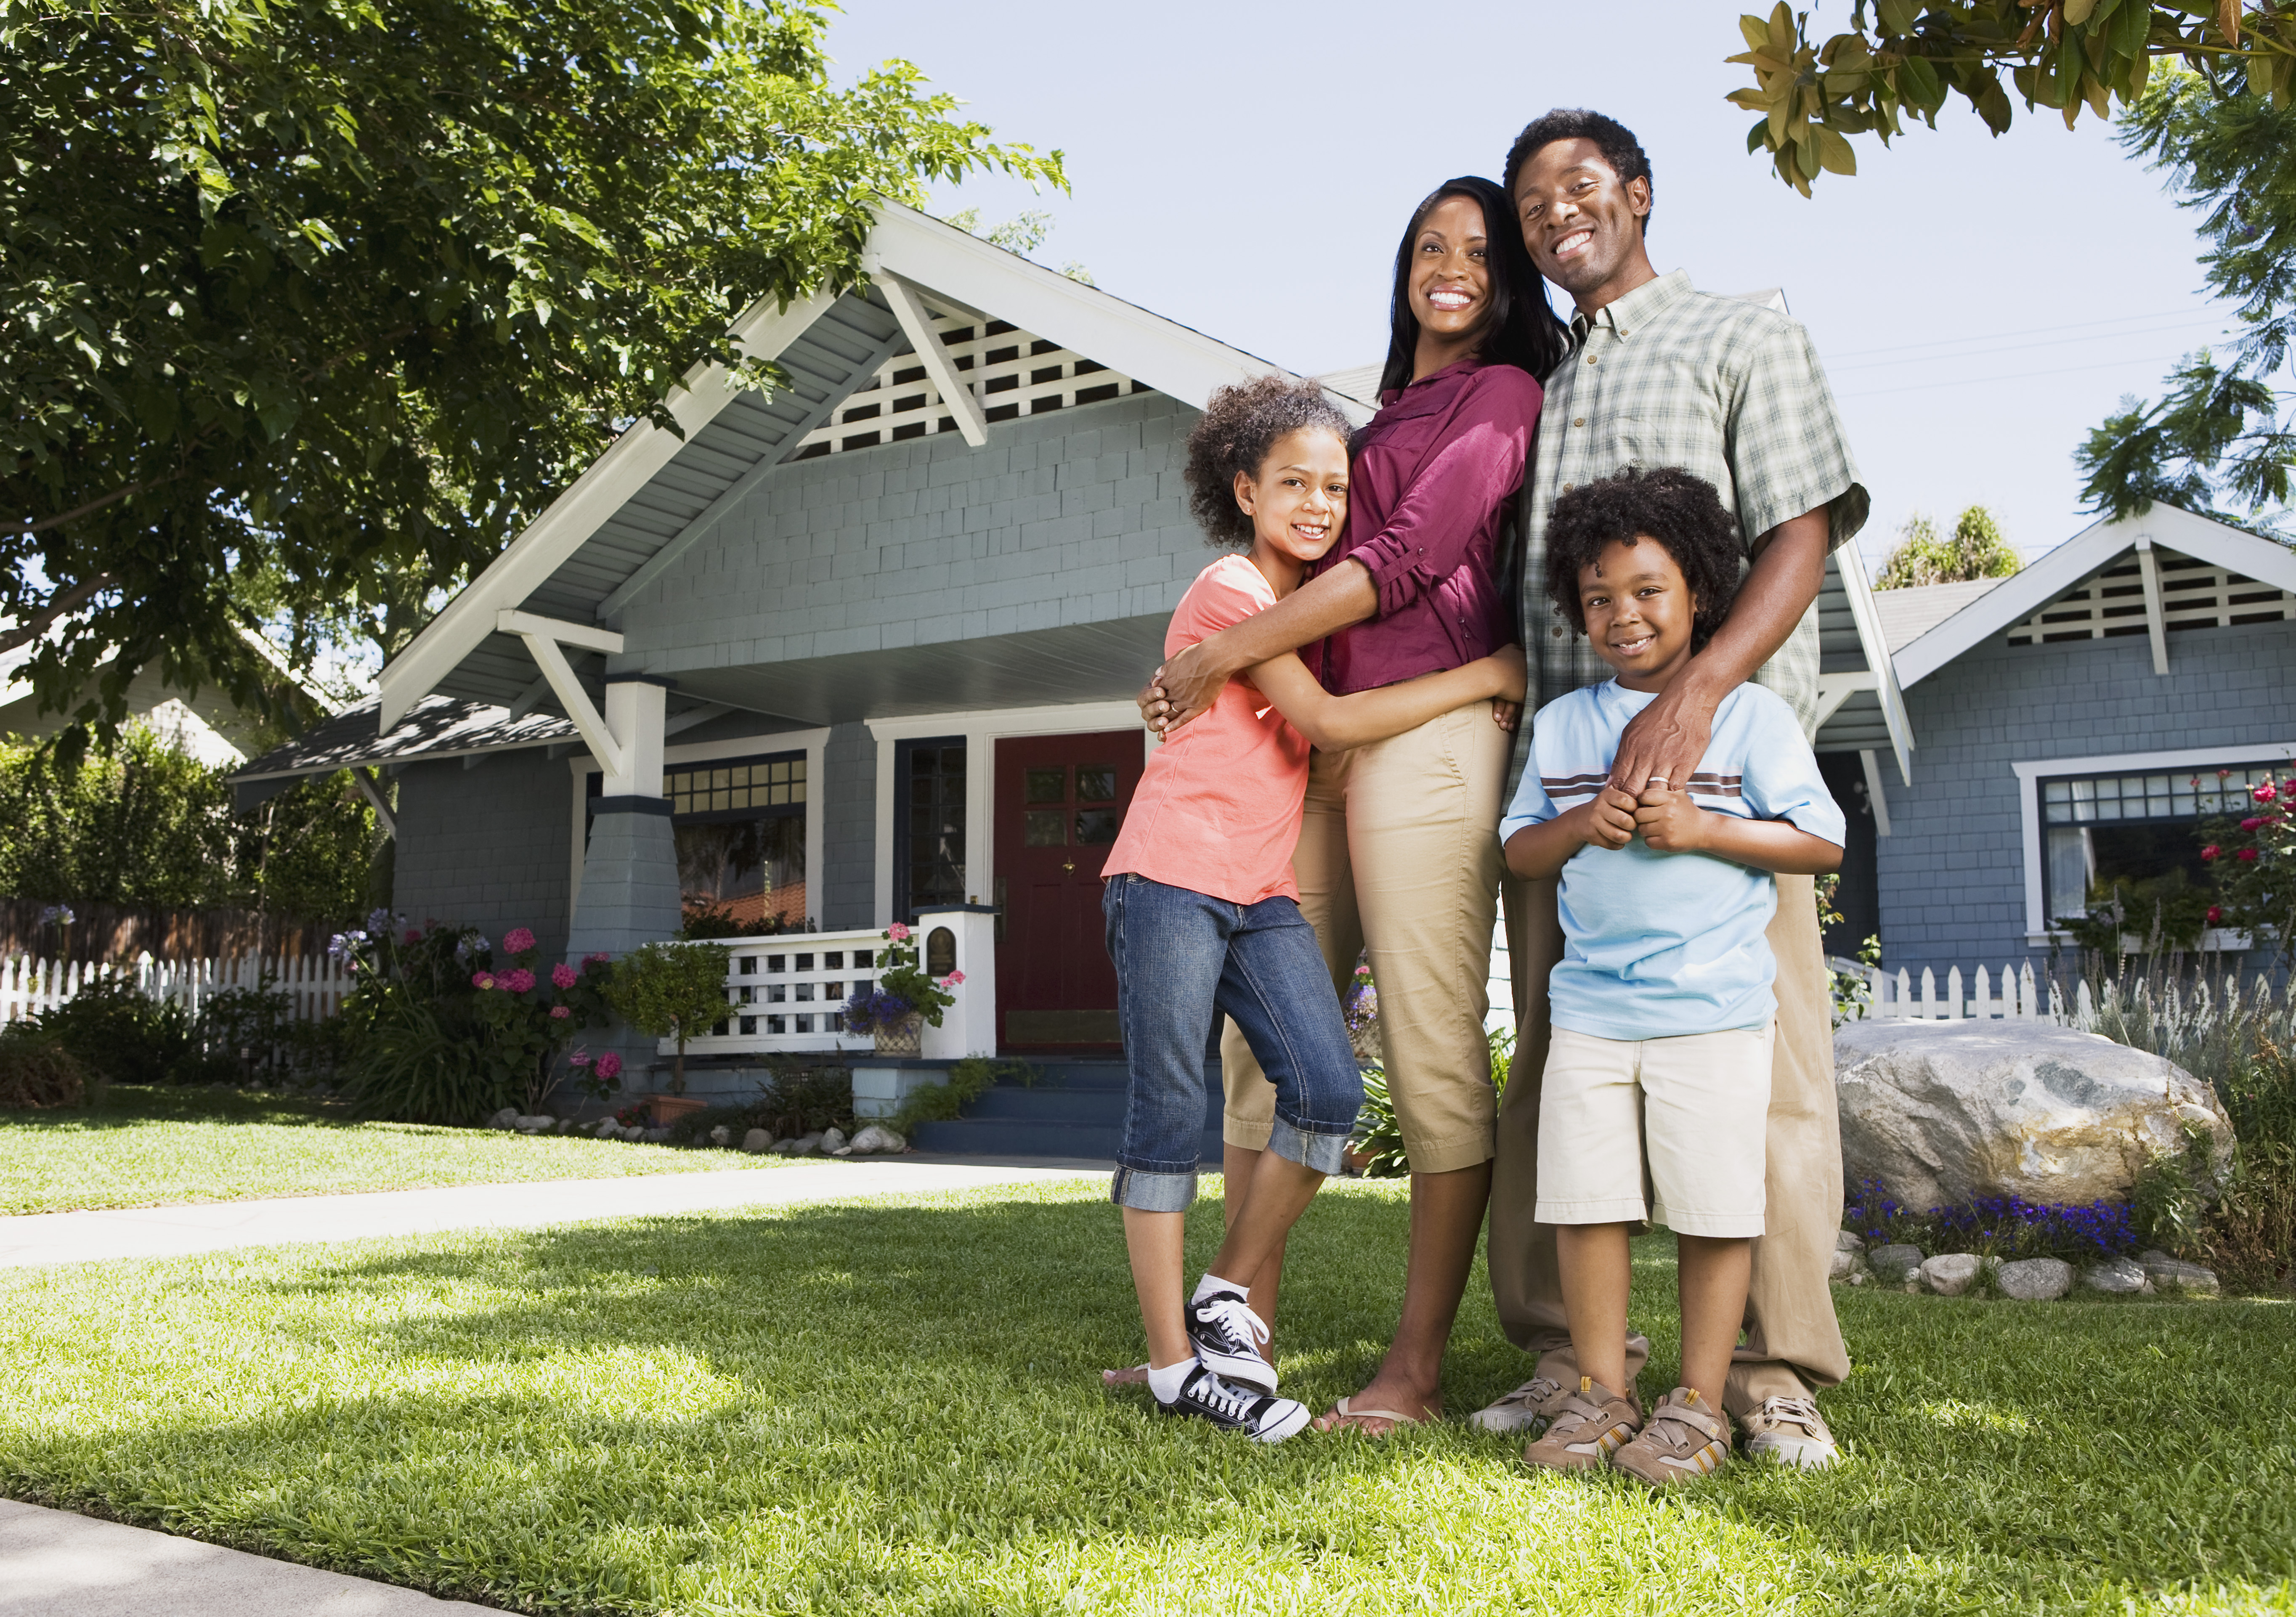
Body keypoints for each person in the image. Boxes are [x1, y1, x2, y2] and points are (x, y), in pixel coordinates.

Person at [1470, 109, 1868, 1470]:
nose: (1553, 215)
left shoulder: (1737, 327)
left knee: (1759, 1083)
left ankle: (1761, 1369)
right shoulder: (1545, 379)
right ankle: (1570, 1361)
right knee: (1559, 1075)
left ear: (1638, 194)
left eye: (1577, 188)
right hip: (1571, 789)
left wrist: (1690, 701)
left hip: (1713, 785)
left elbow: (1799, 528)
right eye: (1531, 204)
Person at [1138, 176, 1564, 1435]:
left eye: (1478, 251)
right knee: (1260, 1055)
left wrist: (1222, 650)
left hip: (1431, 732)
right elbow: (1303, 555)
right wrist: (1218, 653)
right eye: (1428, 246)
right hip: (1316, 746)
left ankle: (1415, 1368)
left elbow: (1405, 563)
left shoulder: (1503, 395)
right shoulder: (1380, 421)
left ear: (1507, 280)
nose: (1451, 266)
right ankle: (1232, 1342)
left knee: (1432, 1052)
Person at [1500, 467, 1843, 1486]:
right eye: (1598, 597)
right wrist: (1577, 823)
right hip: (1590, 1018)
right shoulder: (1564, 726)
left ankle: (1695, 1402)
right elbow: (1519, 849)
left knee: (1711, 1206)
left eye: (1648, 589)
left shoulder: (1748, 718)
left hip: (1711, 1014)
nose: (1623, 615)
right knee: (1586, 1202)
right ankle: (1603, 1391)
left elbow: (1820, 841)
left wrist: (1702, 827)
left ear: (1698, 588)